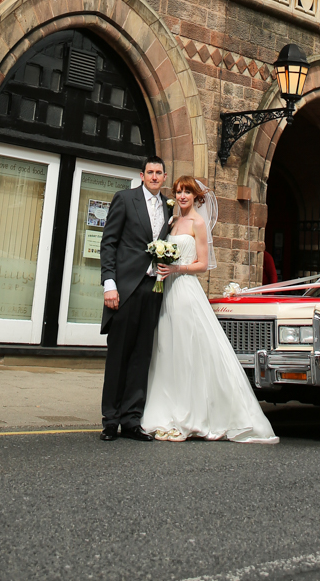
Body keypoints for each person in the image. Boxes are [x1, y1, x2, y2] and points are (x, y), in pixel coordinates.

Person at [141, 176, 278, 443]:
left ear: (196, 197)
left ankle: (192, 414)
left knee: (187, 349)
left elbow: (203, 264)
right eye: (179, 192)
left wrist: (176, 268)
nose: (182, 196)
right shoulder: (172, 222)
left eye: (187, 192)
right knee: (167, 349)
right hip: (167, 291)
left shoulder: (198, 223)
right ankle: (166, 409)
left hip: (185, 291)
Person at [98, 155, 171, 442]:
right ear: (142, 175)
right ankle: (110, 420)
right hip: (125, 289)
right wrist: (109, 284)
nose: (154, 177)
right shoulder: (125, 199)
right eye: (150, 172)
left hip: (153, 290)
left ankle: (131, 420)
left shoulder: (169, 207)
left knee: (142, 357)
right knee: (118, 357)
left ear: (164, 177)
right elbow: (109, 242)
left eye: (159, 173)